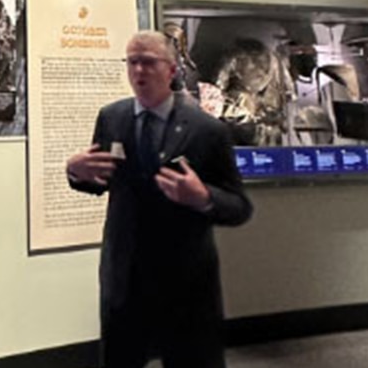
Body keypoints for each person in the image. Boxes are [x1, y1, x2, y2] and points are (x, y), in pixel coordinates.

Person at [65, 30, 253, 368]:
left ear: (171, 69)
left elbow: (240, 207)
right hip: (124, 276)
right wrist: (75, 171)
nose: (139, 71)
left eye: (148, 62)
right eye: (132, 62)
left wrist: (203, 197)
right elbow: (100, 181)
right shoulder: (112, 118)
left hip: (185, 281)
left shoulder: (207, 130)